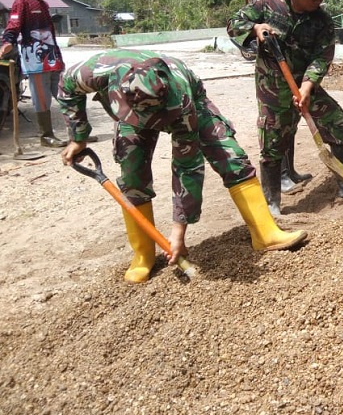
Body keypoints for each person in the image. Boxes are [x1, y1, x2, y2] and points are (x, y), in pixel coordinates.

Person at [57, 49, 308, 284]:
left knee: (230, 155)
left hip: (189, 103)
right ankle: (143, 253)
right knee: (132, 172)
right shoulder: (96, 71)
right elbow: (66, 87)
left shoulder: (182, 102)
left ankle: (265, 232)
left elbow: (187, 167)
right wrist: (78, 137)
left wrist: (179, 232)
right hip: (130, 109)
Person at [227, 0, 343, 213]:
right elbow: (233, 24)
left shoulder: (322, 21)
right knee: (272, 142)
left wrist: (306, 87)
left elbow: (321, 57)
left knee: (338, 125)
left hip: (305, 85)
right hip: (272, 86)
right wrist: (255, 28)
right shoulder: (268, 4)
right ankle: (272, 204)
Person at [250, 0, 312, 195]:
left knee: (291, 123)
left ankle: (291, 171)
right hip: (273, 75)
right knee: (275, 127)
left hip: (292, 71)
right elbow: (257, 30)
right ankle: (281, 177)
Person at [0, 0, 67, 147]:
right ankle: (46, 136)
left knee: (66, 93)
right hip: (35, 60)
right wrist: (7, 43)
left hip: (53, 58)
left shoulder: (44, 4)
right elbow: (13, 26)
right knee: (42, 98)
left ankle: (78, 133)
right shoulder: (22, 2)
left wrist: (58, 57)